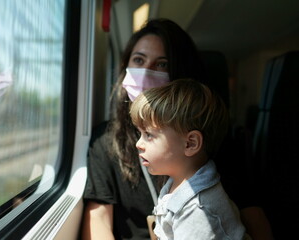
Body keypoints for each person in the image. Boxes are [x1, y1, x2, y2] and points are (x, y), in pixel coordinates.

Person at [82, 18, 273, 240]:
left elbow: (252, 213)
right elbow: (98, 218)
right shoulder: (104, 140)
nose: (145, 73)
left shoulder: (214, 140)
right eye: (138, 60)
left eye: (162, 64)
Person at [130, 78, 249, 239]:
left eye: (149, 135)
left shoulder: (199, 210)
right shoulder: (176, 185)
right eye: (141, 134)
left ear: (190, 143)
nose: (138, 144)